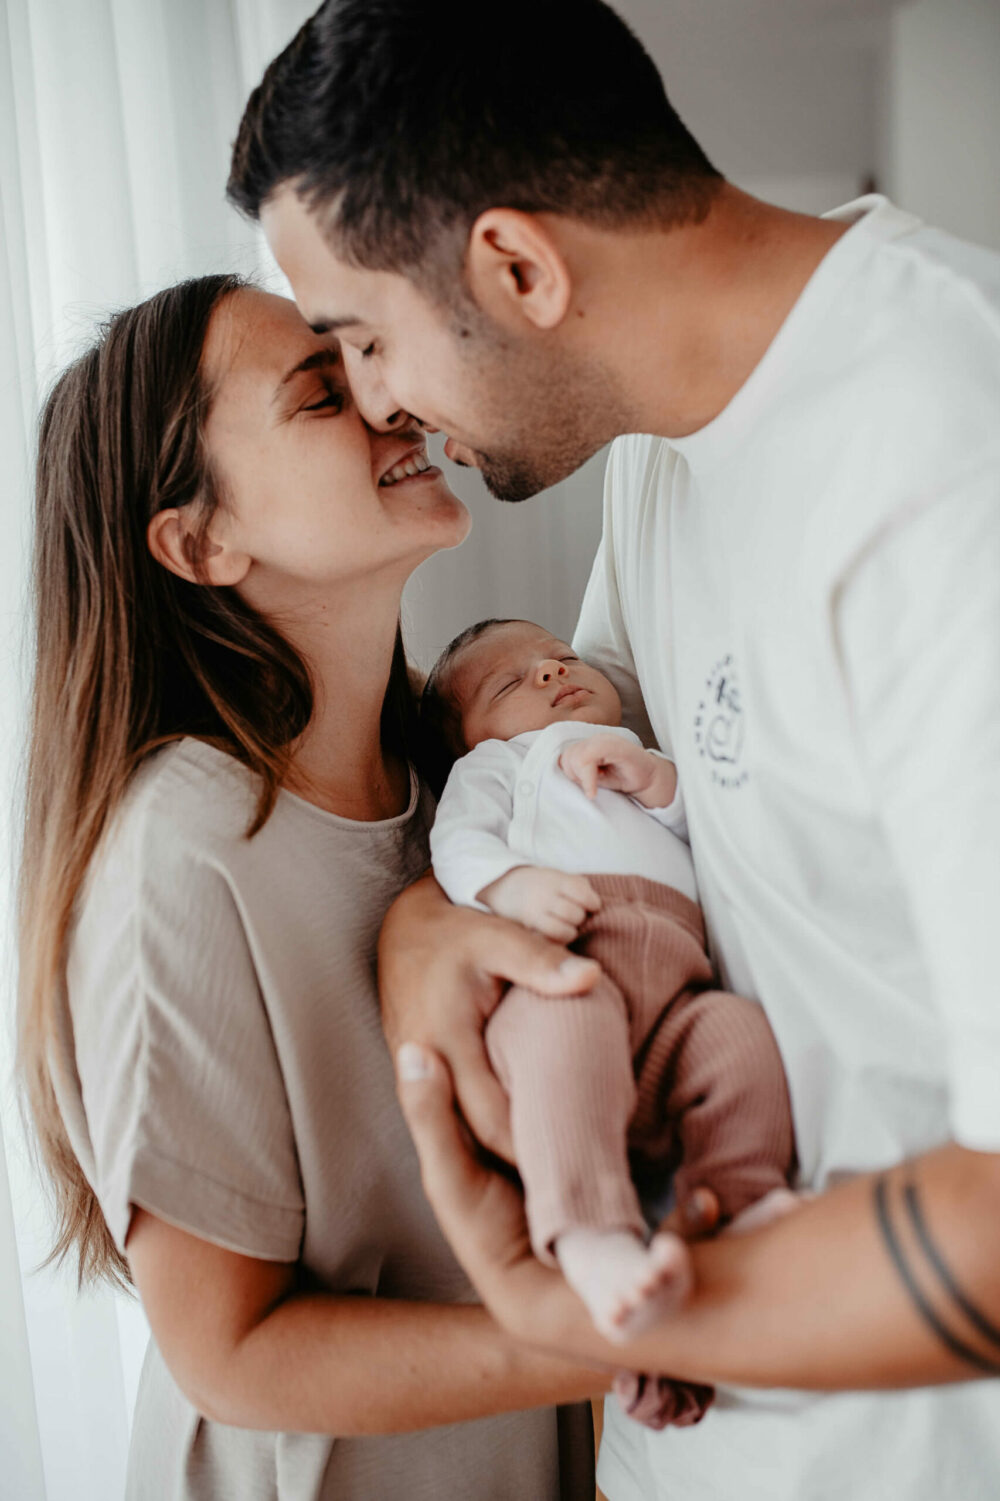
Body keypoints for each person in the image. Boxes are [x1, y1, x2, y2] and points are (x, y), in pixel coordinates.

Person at [226, 2, 1000, 1498]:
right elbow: (597, 729)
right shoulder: (663, 426)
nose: (378, 405)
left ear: (518, 268)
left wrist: (567, 1316)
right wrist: (428, 931)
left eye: (365, 339)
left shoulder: (952, 466)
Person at [17, 273, 605, 1501]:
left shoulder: (458, 791)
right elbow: (229, 1353)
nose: (391, 400)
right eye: (321, 394)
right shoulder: (182, 854)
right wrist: (622, 1338)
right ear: (201, 542)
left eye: (364, 362)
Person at [424, 616, 795, 1348]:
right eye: (510, 682)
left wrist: (657, 782)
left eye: (560, 657)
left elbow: (703, 824)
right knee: (569, 1029)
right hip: (563, 972)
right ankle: (588, 1231)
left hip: (677, 993)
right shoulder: (495, 766)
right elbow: (456, 843)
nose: (551, 672)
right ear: (467, 740)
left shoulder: (635, 752)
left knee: (735, 1035)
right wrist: (512, 885)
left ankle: (738, 1194)